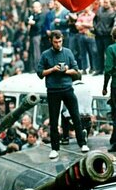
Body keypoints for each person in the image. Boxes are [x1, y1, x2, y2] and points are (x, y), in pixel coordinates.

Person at [37, 30, 89, 159]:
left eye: (60, 41)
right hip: (53, 90)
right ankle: (55, 148)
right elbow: (39, 73)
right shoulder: (45, 55)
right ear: (51, 41)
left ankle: (82, 143)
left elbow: (77, 72)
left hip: (67, 89)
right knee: (54, 121)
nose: (58, 44)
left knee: (76, 116)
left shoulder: (68, 52)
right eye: (55, 42)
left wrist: (67, 71)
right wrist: (52, 70)